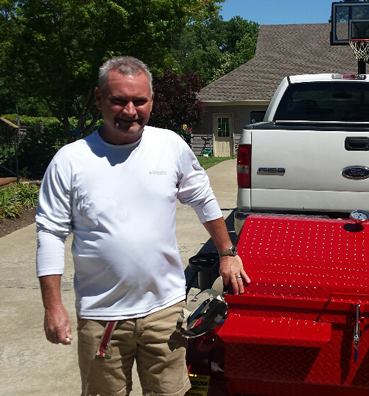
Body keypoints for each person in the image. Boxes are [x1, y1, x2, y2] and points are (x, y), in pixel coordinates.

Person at [35, 56, 250, 396]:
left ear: (152, 100)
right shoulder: (71, 160)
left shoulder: (169, 146)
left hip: (164, 311)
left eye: (140, 101)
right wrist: (53, 306)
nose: (130, 111)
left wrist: (228, 252)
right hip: (101, 316)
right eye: (119, 100)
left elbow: (204, 199)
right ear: (99, 98)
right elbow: (49, 234)